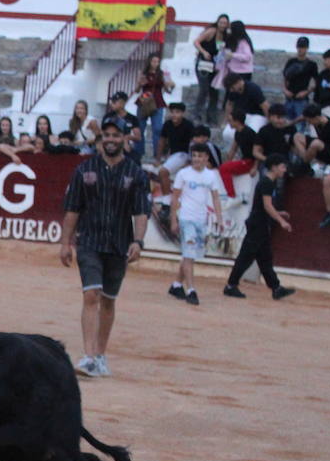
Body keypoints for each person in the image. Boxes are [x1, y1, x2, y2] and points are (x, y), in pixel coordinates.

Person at [58, 120, 151, 378]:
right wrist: (66, 243)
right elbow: (72, 209)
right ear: (100, 139)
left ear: (123, 139)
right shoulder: (84, 170)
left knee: (108, 301)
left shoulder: (135, 173)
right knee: (91, 295)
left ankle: (99, 354)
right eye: (106, 135)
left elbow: (141, 212)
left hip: (119, 244)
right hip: (89, 241)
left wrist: (138, 241)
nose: (110, 139)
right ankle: (88, 356)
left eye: (115, 135)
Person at [224, 154, 295, 300]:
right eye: (282, 166)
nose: (284, 169)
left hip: (259, 224)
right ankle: (231, 285)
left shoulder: (267, 182)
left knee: (264, 258)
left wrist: (278, 213)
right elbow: (267, 206)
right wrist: (281, 220)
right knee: (246, 257)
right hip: (258, 225)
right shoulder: (267, 183)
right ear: (274, 167)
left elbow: (265, 206)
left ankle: (276, 288)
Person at [165, 143, 222, 306]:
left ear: (206, 158)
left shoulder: (211, 176)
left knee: (189, 255)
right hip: (186, 218)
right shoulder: (183, 174)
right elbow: (175, 198)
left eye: (200, 156)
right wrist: (174, 219)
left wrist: (219, 218)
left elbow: (216, 198)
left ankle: (176, 285)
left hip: (200, 219)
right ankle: (191, 290)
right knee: (189, 255)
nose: (197, 159)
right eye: (194, 155)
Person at [193, 14, 228, 124]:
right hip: (204, 64)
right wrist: (204, 52)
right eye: (221, 22)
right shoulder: (211, 31)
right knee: (204, 89)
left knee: (214, 92)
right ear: (217, 22)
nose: (222, 25)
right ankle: (197, 114)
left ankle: (211, 118)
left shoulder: (225, 36)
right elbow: (196, 42)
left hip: (215, 66)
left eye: (225, 23)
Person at [155, 102, 194, 201]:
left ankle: (167, 200)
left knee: (163, 172)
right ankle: (167, 198)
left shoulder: (188, 125)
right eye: (172, 112)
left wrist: (190, 160)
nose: (174, 114)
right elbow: (162, 141)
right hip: (172, 155)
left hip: (183, 154)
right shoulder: (167, 124)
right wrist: (158, 159)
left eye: (177, 112)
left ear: (183, 113)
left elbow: (193, 143)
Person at [282, 37, 318, 123]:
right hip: (289, 98)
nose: (300, 50)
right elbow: (285, 77)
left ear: (306, 48)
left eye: (303, 47)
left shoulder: (311, 64)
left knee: (300, 125)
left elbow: (317, 82)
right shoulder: (291, 61)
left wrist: (306, 92)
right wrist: (285, 90)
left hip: (302, 99)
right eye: (299, 47)